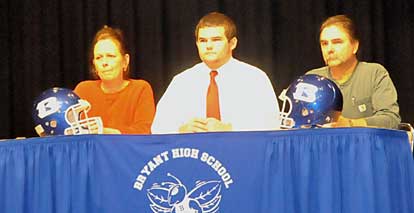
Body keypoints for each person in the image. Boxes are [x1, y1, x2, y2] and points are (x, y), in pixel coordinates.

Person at [151, 12, 280, 134]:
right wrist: (181, 130)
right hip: (193, 154)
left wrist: (230, 129)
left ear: (232, 43)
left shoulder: (254, 78)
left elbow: (272, 124)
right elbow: (158, 128)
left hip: (242, 153)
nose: (208, 46)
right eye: (203, 40)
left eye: (216, 39)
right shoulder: (182, 81)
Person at [306, 15, 401, 129]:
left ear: (355, 46)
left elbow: (391, 119)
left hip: (365, 145)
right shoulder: (312, 79)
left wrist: (350, 124)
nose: (329, 49)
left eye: (337, 42)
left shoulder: (374, 73)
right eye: (324, 43)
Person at [74, 26, 155, 134]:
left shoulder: (140, 88)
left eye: (110, 56)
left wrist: (106, 132)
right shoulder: (83, 89)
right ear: (94, 65)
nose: (104, 62)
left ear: (125, 61)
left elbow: (145, 131)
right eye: (99, 58)